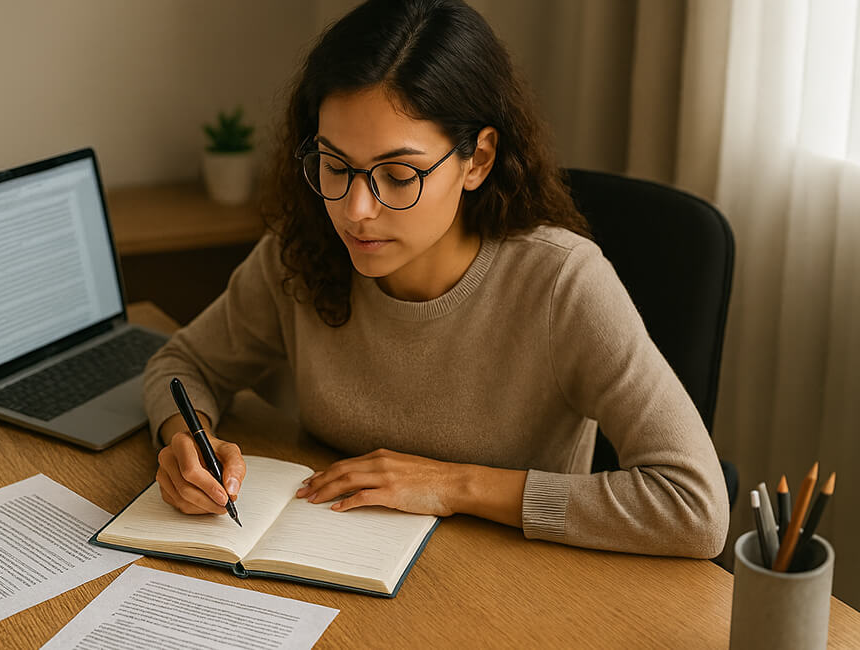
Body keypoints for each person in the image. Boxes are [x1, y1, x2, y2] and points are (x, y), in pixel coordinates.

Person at [144, 0, 729, 558]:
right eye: (333, 164)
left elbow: (695, 507)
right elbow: (183, 365)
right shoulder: (302, 251)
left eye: (398, 175)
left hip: (511, 591)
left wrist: (455, 486)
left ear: (476, 159)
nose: (355, 210)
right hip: (331, 564)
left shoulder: (561, 284)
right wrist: (184, 441)